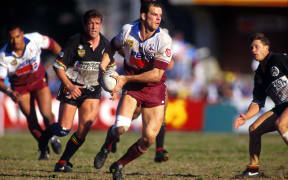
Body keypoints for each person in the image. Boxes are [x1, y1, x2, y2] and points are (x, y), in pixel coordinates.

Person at [93, 1, 173, 179]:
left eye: (160, 15)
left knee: (149, 139)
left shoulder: (164, 39)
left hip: (154, 89)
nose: (158, 18)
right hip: (133, 88)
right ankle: (106, 147)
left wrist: (124, 79)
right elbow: (112, 45)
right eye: (154, 14)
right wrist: (103, 66)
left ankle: (119, 164)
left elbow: (156, 75)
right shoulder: (128, 30)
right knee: (121, 128)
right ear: (144, 16)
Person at [38, 9, 113, 172]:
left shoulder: (107, 45)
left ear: (101, 25)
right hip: (71, 87)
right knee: (64, 129)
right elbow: (58, 67)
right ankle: (44, 139)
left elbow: (110, 70)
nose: (94, 27)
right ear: (84, 25)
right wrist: (69, 86)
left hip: (92, 90)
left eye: (97, 23)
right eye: (90, 23)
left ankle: (62, 163)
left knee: (84, 128)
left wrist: (113, 87)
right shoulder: (74, 42)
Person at [0, 24, 62, 160]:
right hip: (20, 88)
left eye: (17, 36)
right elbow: (0, 81)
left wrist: (63, 61)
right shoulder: (3, 56)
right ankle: (43, 148)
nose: (15, 41)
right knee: (32, 120)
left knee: (46, 114)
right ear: (8, 39)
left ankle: (54, 139)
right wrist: (10, 92)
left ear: (22, 34)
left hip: (39, 80)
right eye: (11, 38)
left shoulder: (35, 38)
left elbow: (52, 45)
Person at [234, 33, 288, 178]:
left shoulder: (279, 58)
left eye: (257, 47)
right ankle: (253, 169)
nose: (253, 50)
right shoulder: (259, 74)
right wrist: (245, 116)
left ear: (266, 48)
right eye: (251, 47)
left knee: (281, 124)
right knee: (254, 129)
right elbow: (258, 101)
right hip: (282, 107)